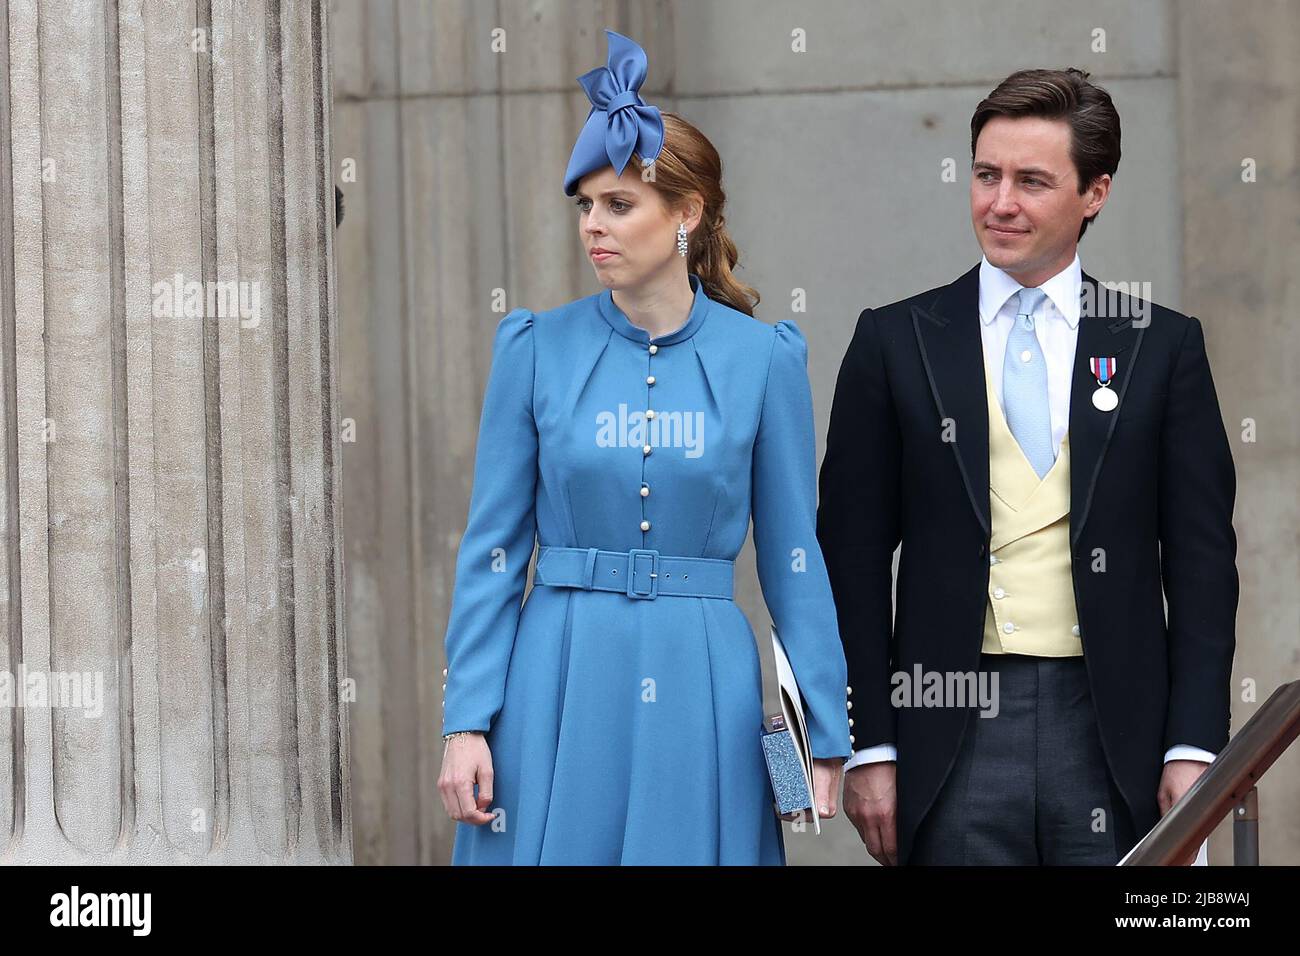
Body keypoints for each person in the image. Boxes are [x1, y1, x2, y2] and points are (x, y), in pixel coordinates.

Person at [436, 29, 852, 865]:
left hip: (702, 679)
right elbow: (492, 548)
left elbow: (793, 554)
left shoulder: (764, 360)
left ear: (686, 214)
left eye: (618, 205)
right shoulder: (532, 349)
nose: (594, 225)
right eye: (585, 205)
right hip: (555, 670)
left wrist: (828, 725)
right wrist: (466, 720)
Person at [818, 68, 1237, 866]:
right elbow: (852, 560)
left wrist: (1194, 744)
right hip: (949, 729)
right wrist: (869, 741)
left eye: (1032, 181)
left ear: (1095, 192)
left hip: (1117, 737)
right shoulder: (894, 341)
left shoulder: (1161, 345)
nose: (999, 202)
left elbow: (1203, 563)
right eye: (986, 175)